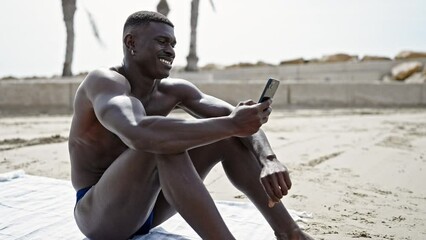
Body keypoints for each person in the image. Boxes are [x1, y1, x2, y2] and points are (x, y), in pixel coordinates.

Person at [69, 10, 314, 240]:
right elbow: (138, 132)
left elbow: (234, 116)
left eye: (173, 45)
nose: (171, 51)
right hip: (99, 216)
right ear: (131, 43)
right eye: (162, 42)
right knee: (162, 143)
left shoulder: (173, 90)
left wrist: (268, 159)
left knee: (227, 137)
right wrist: (233, 123)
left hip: (149, 210)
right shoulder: (104, 82)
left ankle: (289, 233)